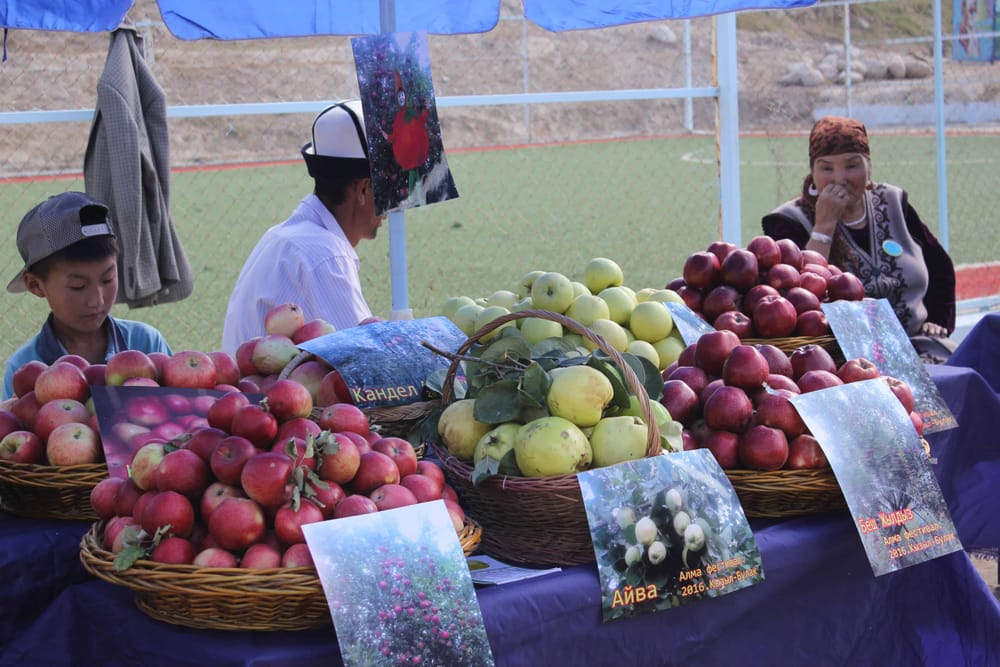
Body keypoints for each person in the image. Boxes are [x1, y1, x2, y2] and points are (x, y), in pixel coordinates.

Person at [762, 115, 956, 356]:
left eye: (851, 165)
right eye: (826, 168)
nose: (839, 178)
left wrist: (938, 320)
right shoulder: (788, 221)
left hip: (918, 344)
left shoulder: (893, 202)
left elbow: (940, 267)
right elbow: (797, 296)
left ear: (868, 166)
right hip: (844, 357)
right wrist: (825, 224)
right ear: (812, 172)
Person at [221, 100, 385, 355]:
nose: (392, 205)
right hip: (273, 394)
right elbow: (365, 360)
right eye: (387, 188)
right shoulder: (325, 254)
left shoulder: (284, 235)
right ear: (364, 189)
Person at [2, 192, 172, 400]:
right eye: (78, 286)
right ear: (35, 285)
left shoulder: (146, 344)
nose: (97, 300)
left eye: (108, 279)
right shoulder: (24, 368)